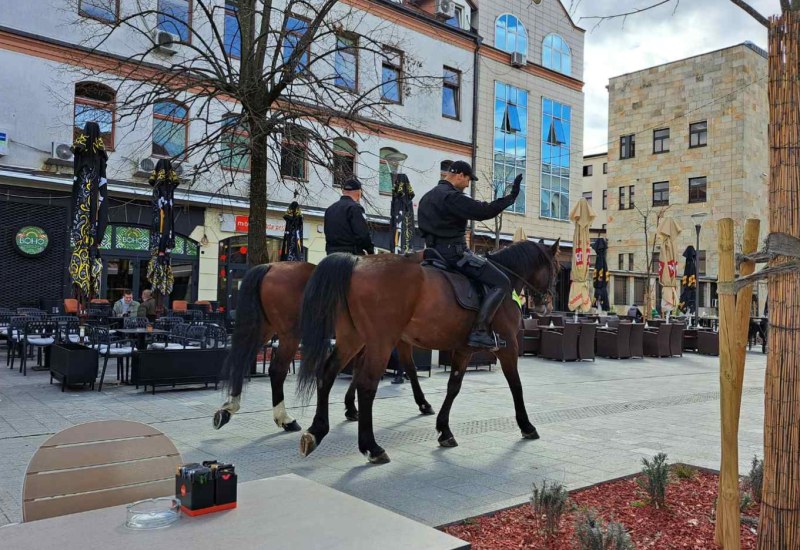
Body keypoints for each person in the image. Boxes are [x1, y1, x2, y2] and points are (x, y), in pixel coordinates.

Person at [418, 160, 521, 349]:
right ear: (460, 176)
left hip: (430, 253)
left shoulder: (426, 197)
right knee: (502, 282)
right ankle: (480, 331)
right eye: (468, 180)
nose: (467, 185)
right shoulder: (452, 197)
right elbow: (484, 211)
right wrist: (510, 198)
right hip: (455, 255)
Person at [324, 178, 375, 256]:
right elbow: (362, 235)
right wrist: (370, 250)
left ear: (343, 192)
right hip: (350, 255)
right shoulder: (355, 208)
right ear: (359, 193)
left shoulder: (330, 209)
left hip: (331, 254)